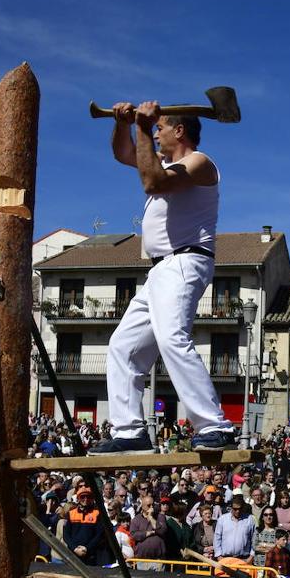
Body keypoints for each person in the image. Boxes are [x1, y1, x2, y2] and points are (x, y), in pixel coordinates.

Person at [94, 100, 237, 453]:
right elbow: (123, 153)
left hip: (185, 261)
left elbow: (152, 184)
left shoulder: (200, 163)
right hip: (160, 269)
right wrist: (123, 123)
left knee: (173, 337)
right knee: (123, 347)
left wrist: (141, 126)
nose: (156, 135)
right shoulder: (162, 162)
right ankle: (129, 432)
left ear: (179, 130)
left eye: (160, 128)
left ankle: (215, 425)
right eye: (153, 130)